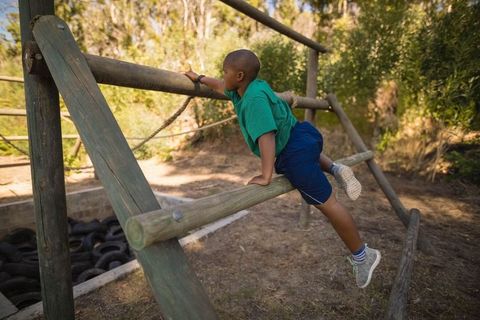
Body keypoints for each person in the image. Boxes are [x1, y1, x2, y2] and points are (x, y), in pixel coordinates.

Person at [185, 49, 380, 288]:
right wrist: (200, 78)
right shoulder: (252, 87)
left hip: (294, 156)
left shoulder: (253, 101)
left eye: (225, 72)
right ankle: (335, 168)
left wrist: (266, 175)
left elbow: (266, 135)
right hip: (304, 134)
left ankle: (363, 255)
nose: (222, 76)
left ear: (239, 76)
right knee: (305, 150)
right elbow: (219, 86)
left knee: (330, 206)